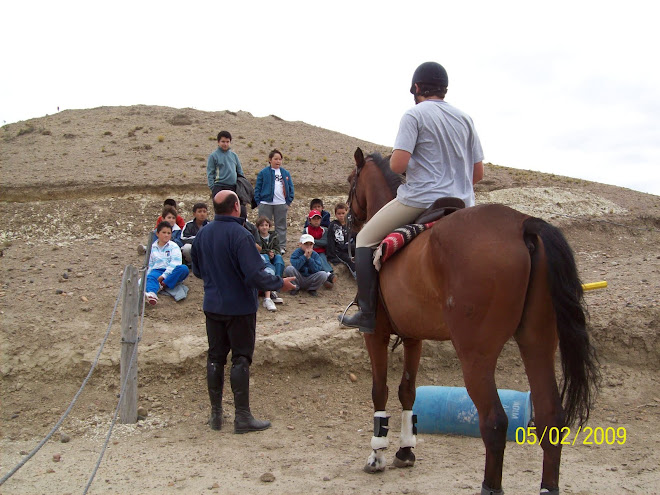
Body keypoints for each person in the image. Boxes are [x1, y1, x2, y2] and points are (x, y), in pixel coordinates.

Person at [339, 61, 484, 333]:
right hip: (463, 203)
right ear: (444, 89)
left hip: (421, 198)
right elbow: (478, 173)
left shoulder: (414, 115)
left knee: (364, 239)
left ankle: (367, 315)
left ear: (417, 88)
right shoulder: (465, 118)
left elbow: (397, 165)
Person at [191, 190, 296, 434]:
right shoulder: (241, 235)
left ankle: (216, 416)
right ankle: (242, 417)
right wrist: (280, 283)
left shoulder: (203, 234)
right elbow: (255, 274)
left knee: (215, 357)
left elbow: (197, 271)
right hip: (239, 309)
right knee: (240, 358)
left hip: (213, 306)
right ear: (236, 206)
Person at [254, 149, 294, 254]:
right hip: (265, 203)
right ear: (270, 160)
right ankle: (261, 245)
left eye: (280, 159)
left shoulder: (285, 173)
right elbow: (257, 187)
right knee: (262, 225)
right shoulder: (263, 172)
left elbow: (290, 187)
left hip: (281, 203)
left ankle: (280, 246)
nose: (278, 161)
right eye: (276, 159)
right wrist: (259, 202)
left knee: (281, 226)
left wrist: (288, 202)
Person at [144, 221, 190, 306]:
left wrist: (164, 276)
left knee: (183, 269)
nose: (166, 235)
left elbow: (175, 263)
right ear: (157, 234)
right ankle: (152, 294)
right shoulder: (153, 247)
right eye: (164, 232)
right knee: (150, 276)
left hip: (171, 271)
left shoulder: (174, 246)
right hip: (157, 270)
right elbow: (150, 264)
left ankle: (163, 285)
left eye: (169, 233)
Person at [253, 216, 285, 311]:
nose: (264, 227)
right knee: (266, 258)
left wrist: (273, 253)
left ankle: (276, 285)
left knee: (279, 259)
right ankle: (269, 288)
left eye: (266, 225)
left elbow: (277, 249)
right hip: (263, 257)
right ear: (258, 227)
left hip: (273, 255)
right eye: (262, 225)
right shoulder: (257, 236)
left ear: (269, 226)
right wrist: (268, 252)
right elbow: (259, 250)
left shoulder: (274, 236)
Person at [302, 210, 336, 286]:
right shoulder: (306, 230)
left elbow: (325, 242)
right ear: (309, 220)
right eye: (314, 219)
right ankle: (328, 276)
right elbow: (304, 242)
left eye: (318, 218)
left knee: (322, 259)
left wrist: (312, 241)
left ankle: (328, 275)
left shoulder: (324, 230)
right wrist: (316, 243)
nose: (316, 221)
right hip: (309, 251)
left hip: (320, 251)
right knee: (315, 261)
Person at [207, 131, 244, 198]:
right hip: (219, 187)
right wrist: (213, 188)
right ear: (218, 142)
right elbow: (210, 173)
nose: (225, 144)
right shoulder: (213, 156)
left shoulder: (234, 155)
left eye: (227, 142)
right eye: (223, 141)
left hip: (233, 187)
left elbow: (240, 172)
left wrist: (240, 186)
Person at [326, 202, 356, 279]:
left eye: (343, 213)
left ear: (347, 212)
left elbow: (356, 236)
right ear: (335, 214)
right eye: (339, 213)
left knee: (361, 257)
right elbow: (330, 241)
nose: (341, 215)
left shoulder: (351, 224)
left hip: (351, 247)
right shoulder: (333, 225)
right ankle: (359, 278)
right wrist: (332, 256)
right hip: (340, 251)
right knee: (350, 261)